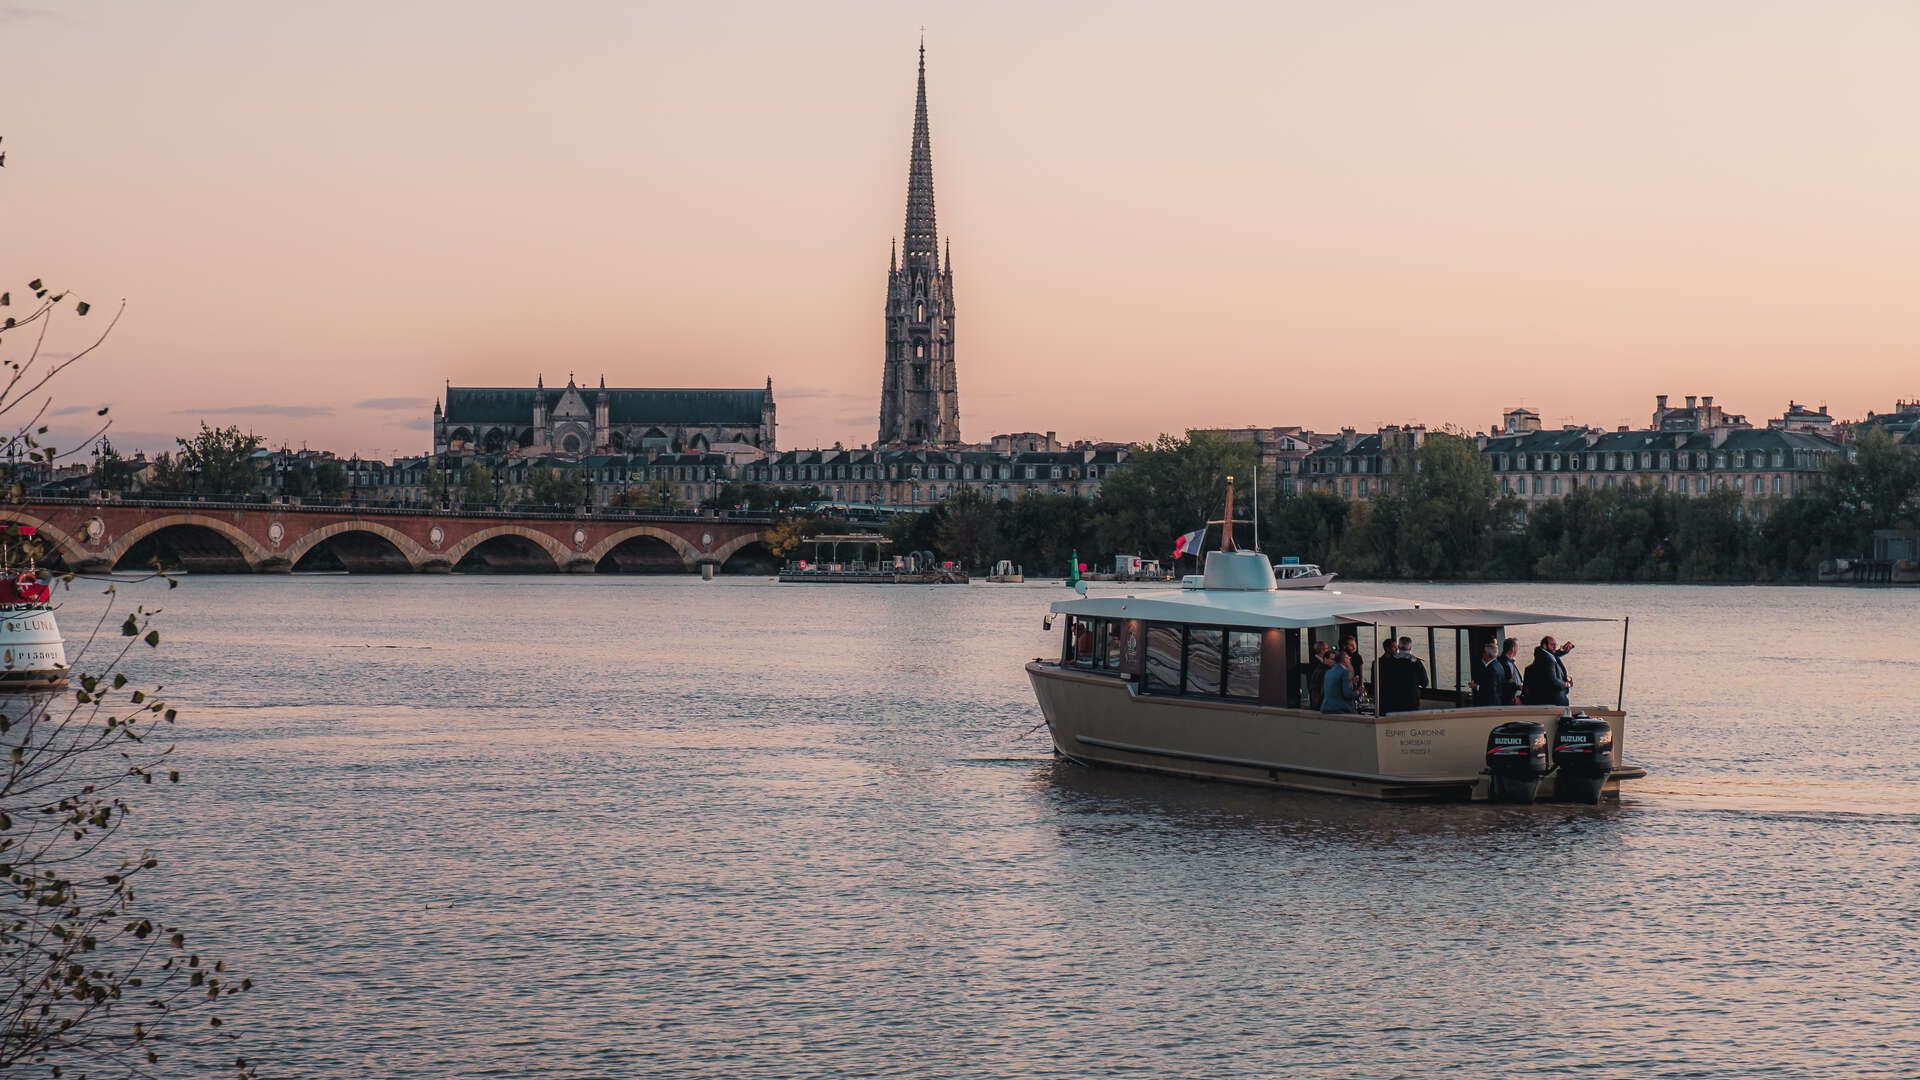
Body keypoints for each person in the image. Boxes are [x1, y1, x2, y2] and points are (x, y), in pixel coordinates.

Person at [1523, 635, 1573, 706]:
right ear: (1544, 645)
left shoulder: (1543, 655)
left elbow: (1553, 653)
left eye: (1555, 645)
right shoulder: (1548, 661)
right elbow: (1553, 681)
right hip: (1555, 702)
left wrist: (1563, 651)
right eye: (1552, 645)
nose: (1555, 647)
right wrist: (1566, 684)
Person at [1493, 637, 1525, 705]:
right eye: (1517, 647)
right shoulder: (1503, 663)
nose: (1517, 650)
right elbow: (1505, 684)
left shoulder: (1510, 662)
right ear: (1513, 648)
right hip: (1510, 701)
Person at [1469, 640, 1501, 706]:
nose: (1483, 654)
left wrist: (1476, 686)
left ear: (1487, 654)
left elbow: (1491, 690)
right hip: (1496, 702)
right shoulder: (1498, 665)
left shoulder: (1491, 669)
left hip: (1490, 704)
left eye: (1484, 652)